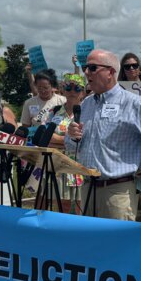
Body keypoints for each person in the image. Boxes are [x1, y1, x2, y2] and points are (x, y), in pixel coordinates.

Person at [66, 50, 141, 220]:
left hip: (117, 192)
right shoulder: (86, 104)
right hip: (87, 189)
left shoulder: (132, 103)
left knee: (118, 245)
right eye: (85, 67)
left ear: (110, 72)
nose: (86, 72)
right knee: (91, 244)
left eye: (92, 68)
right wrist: (72, 136)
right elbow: (72, 144)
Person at [43, 73, 87, 211]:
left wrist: (60, 139)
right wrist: (71, 140)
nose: (72, 92)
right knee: (63, 203)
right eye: (68, 87)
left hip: (79, 164)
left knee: (80, 202)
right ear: (63, 90)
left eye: (77, 88)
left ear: (83, 92)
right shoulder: (55, 112)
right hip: (59, 164)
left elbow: (84, 141)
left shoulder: (87, 112)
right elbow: (47, 137)